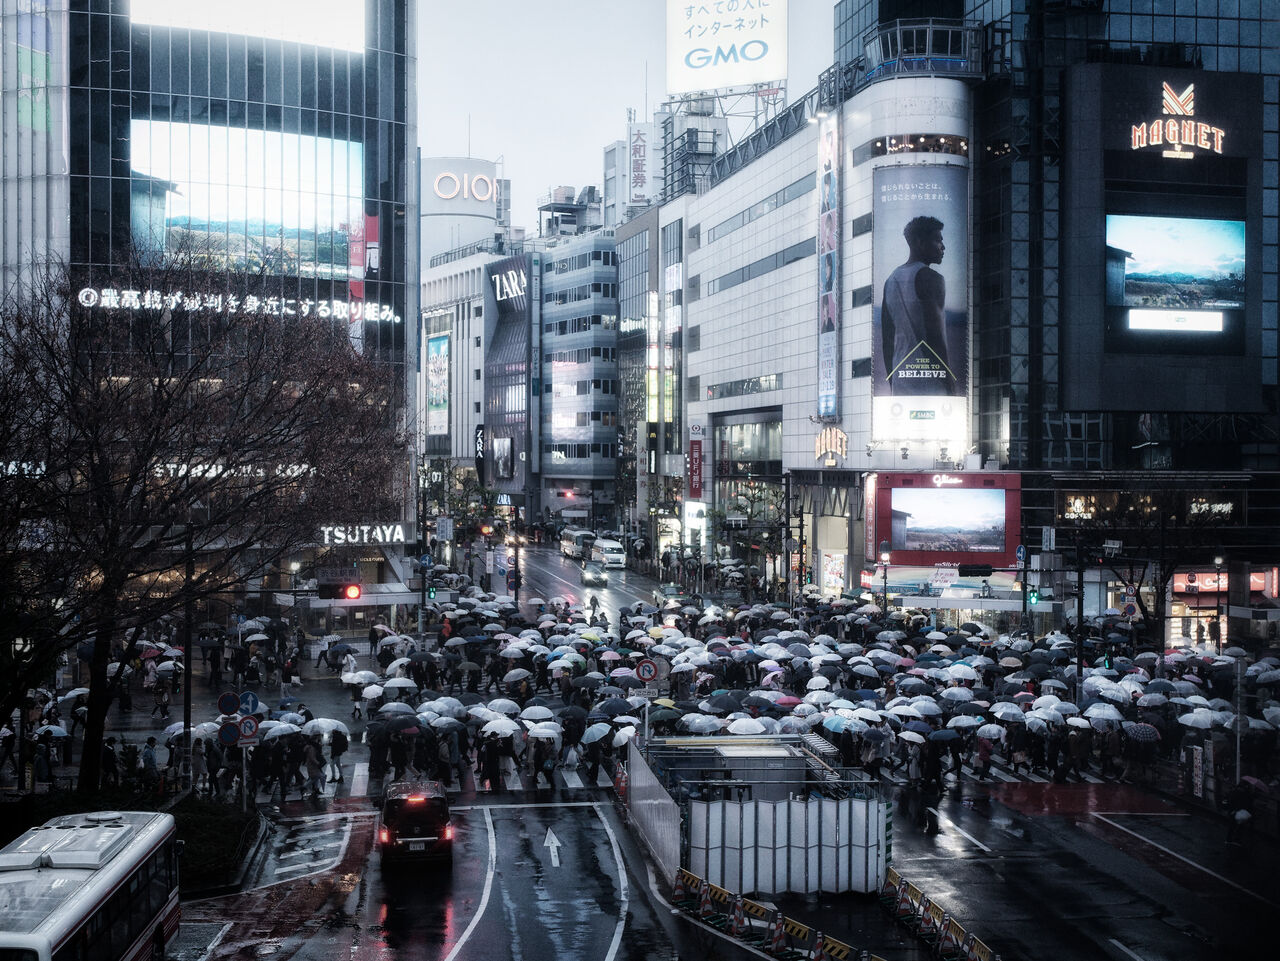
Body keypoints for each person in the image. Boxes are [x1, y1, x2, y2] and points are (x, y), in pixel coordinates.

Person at [880, 215, 956, 396]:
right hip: (931, 384)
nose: (943, 247)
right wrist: (950, 385)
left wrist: (893, 382)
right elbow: (935, 338)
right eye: (938, 240)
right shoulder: (932, 278)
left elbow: (887, 341)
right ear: (920, 242)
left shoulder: (890, 280)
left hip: (900, 381)